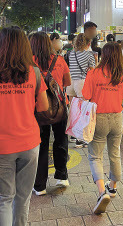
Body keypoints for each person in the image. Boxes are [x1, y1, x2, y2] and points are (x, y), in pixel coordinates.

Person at [0, 27, 49, 226]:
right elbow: (44, 106)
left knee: (2, 198)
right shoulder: (34, 73)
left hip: (1, 144)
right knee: (23, 197)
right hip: (30, 142)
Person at [82, 42, 123, 214]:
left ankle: (102, 192)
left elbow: (86, 95)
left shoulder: (93, 73)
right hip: (117, 118)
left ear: (104, 55)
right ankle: (113, 187)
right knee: (115, 153)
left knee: (95, 156)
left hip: (98, 118)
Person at [29, 32, 72, 196]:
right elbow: (67, 82)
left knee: (41, 144)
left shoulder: (29, 63)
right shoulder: (59, 60)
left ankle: (40, 185)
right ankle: (62, 176)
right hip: (60, 106)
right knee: (61, 140)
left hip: (38, 108)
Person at [67, 33, 96, 148]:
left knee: (74, 109)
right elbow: (93, 71)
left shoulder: (71, 53)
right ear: (88, 43)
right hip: (81, 83)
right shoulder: (89, 55)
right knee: (83, 111)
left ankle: (74, 135)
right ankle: (81, 139)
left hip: (71, 82)